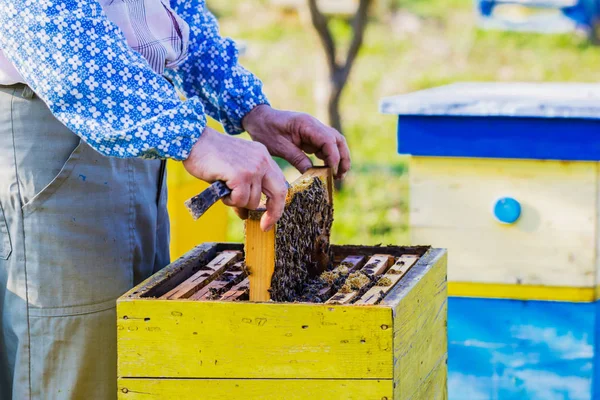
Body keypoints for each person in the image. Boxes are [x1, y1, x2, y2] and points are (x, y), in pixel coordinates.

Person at [0, 0, 351, 398]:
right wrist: (195, 139)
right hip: (63, 114)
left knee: (136, 358)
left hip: (140, 119)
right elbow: (50, 27)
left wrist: (250, 108)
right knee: (80, 369)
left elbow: (173, 9)